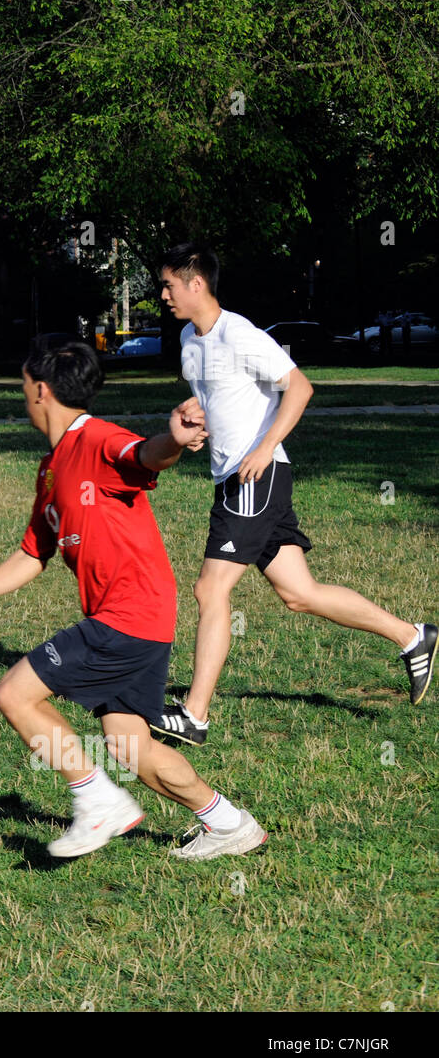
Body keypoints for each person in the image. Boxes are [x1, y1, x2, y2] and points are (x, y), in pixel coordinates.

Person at [0, 341, 266, 860]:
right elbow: (32, 554)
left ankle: (97, 802)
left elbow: (145, 455)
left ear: (41, 390)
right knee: (131, 746)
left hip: (129, 615)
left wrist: (171, 439)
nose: (24, 396)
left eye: (23, 387)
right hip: (139, 617)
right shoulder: (53, 466)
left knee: (16, 694)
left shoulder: (96, 437)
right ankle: (228, 823)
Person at [155, 244, 436, 746]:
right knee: (298, 594)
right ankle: (413, 637)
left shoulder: (241, 334)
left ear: (196, 284)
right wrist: (196, 423)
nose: (163, 294)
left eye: (169, 285)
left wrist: (264, 450)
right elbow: (211, 398)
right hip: (234, 477)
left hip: (253, 478)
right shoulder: (188, 339)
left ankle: (195, 714)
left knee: (209, 589)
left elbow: (300, 388)